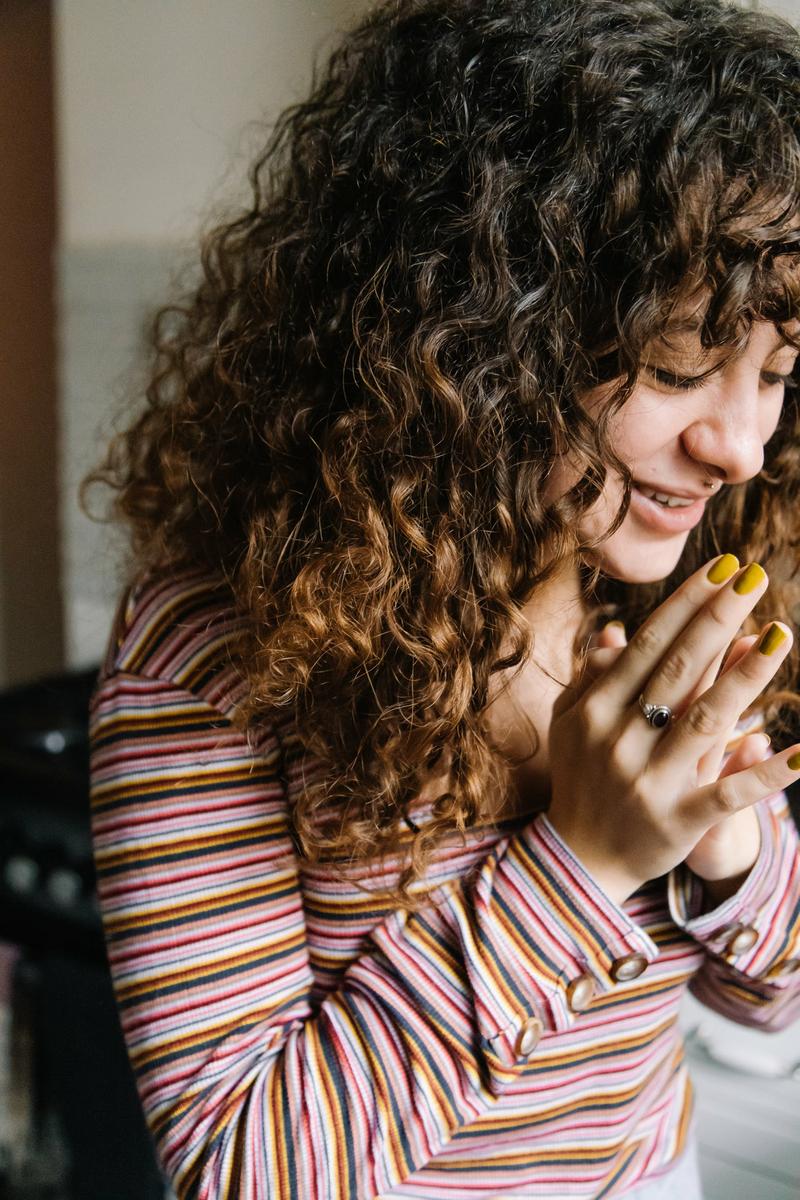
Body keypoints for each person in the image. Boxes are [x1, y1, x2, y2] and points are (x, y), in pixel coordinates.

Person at [83, 0, 800, 1196]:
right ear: (484, 336)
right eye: (678, 367)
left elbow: (765, 995)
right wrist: (582, 859)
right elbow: (237, 1172)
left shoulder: (656, 565)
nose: (738, 443)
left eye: (775, 374)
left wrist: (721, 838)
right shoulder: (218, 650)